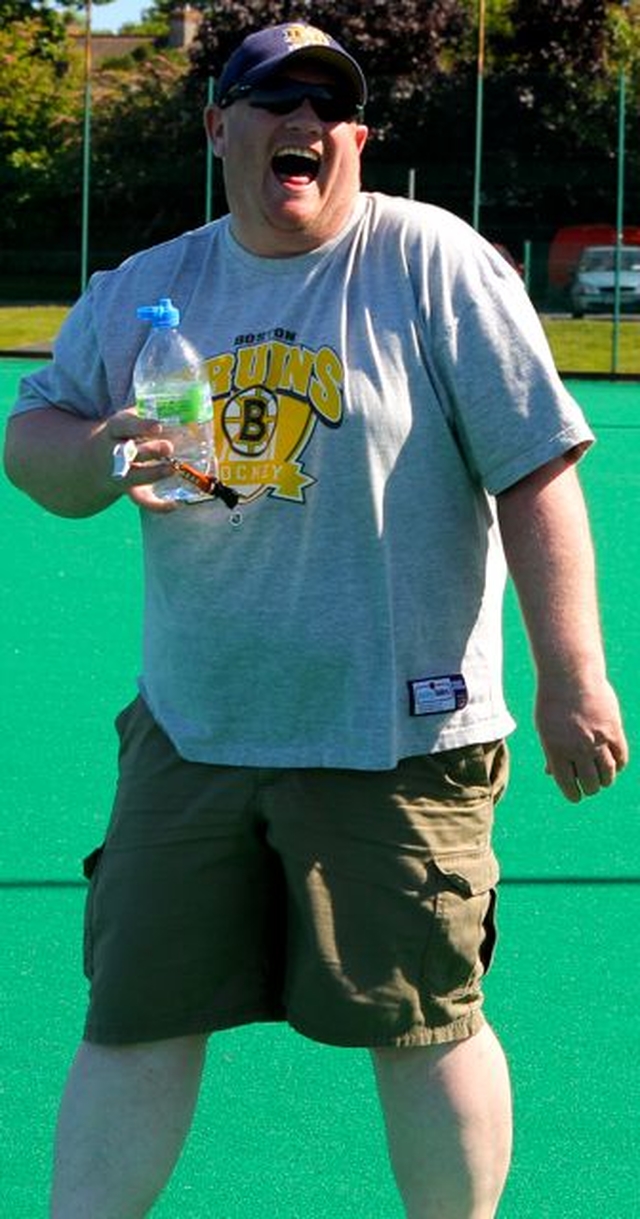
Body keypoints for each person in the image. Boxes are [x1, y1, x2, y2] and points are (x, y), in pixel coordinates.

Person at [4, 21, 628, 1219]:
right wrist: (95, 451)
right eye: (269, 97)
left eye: (325, 103)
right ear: (217, 128)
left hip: (397, 736)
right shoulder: (150, 289)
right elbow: (34, 438)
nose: (300, 120)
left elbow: (537, 470)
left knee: (425, 1023)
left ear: (354, 136)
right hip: (193, 730)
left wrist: (573, 676)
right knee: (133, 1014)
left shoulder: (431, 262)